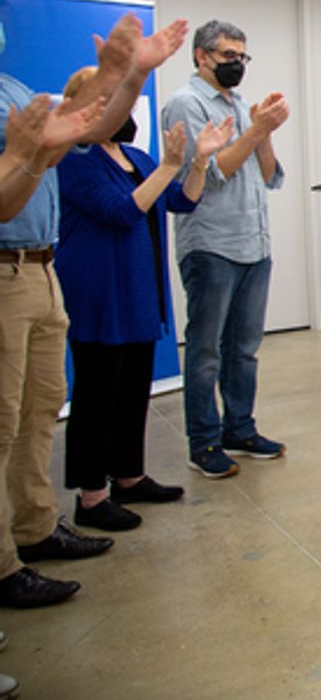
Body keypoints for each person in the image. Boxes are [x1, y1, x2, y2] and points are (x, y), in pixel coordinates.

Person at [0, 12, 188, 610]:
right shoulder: (71, 151)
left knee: (45, 412)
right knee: (28, 415)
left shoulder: (17, 93)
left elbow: (96, 130)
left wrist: (132, 76)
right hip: (45, 277)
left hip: (55, 271)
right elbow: (119, 206)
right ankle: (30, 540)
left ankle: (39, 525)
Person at [55, 67, 233, 530]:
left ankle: (128, 477)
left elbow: (182, 201)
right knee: (97, 393)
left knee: (133, 387)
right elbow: (120, 211)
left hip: (137, 289)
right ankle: (91, 497)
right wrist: (170, 166)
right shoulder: (74, 159)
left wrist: (198, 161)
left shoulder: (135, 156)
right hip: (98, 291)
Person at [162, 19, 289, 480]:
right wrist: (254, 131)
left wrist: (265, 131)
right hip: (211, 244)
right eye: (228, 56)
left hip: (254, 242)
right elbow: (213, 174)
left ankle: (240, 428)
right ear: (201, 56)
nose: (237, 64)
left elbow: (269, 176)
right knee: (206, 350)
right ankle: (204, 441)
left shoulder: (238, 104)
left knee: (244, 349)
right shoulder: (186, 103)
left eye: (242, 56)